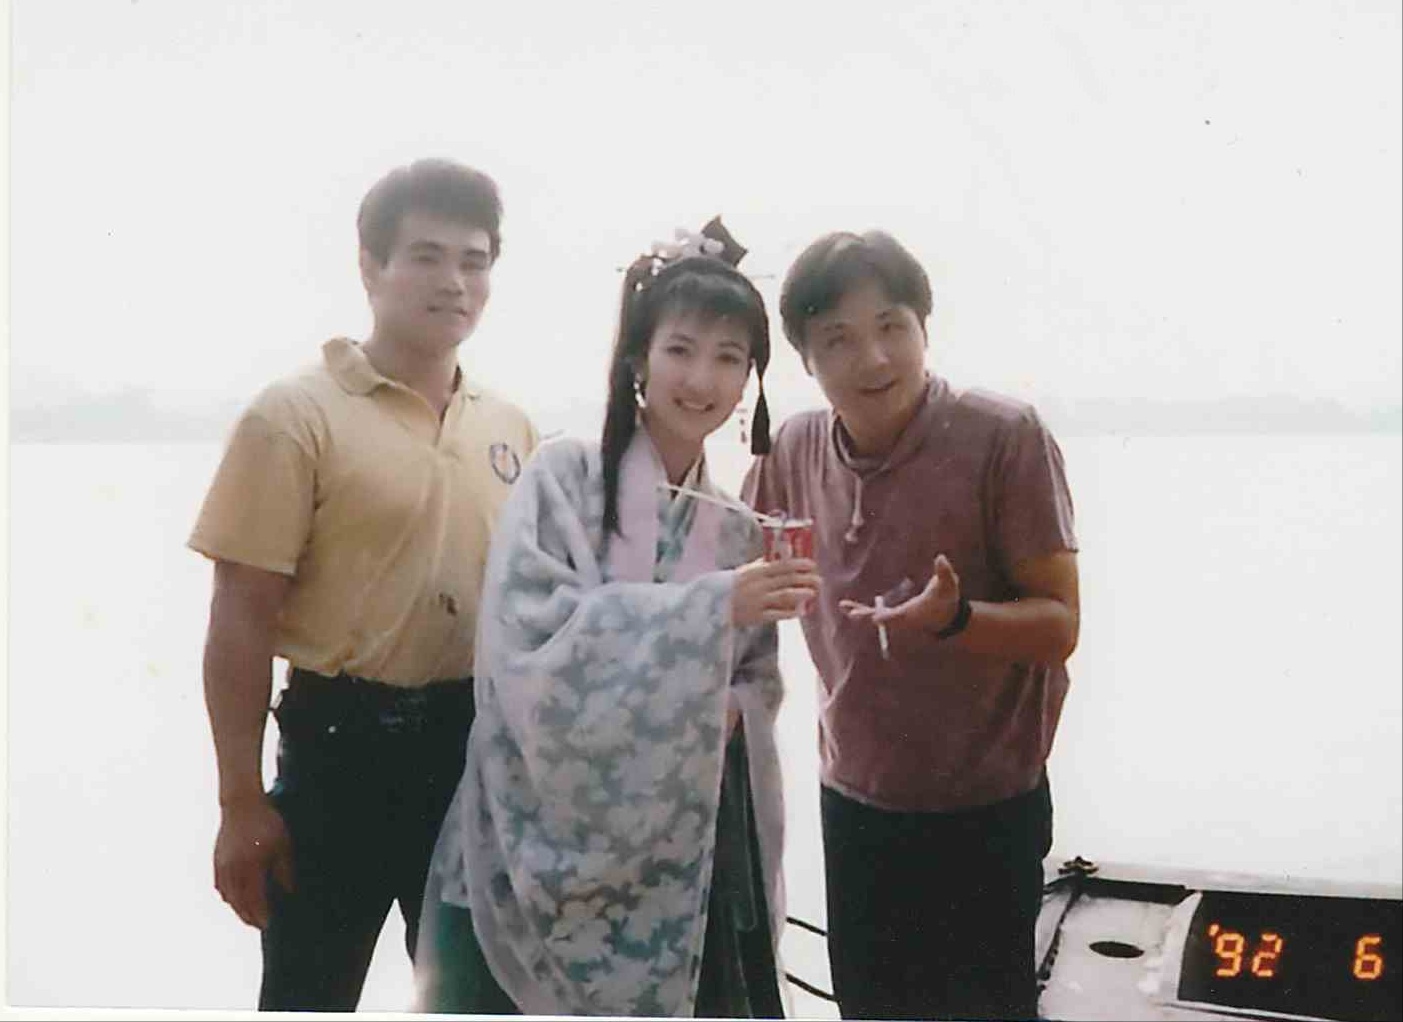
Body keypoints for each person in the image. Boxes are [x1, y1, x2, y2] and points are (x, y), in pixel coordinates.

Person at [414, 220, 822, 1017]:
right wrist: (712, 609)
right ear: (638, 357)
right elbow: (526, 648)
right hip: (532, 834)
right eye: (680, 349)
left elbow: (755, 685)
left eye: (729, 357)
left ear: (750, 379)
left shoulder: (736, 528)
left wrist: (729, 708)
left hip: (676, 857)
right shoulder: (561, 477)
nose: (701, 379)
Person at [188, 158, 538, 1011]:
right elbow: (240, 620)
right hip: (337, 755)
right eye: (426, 256)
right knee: (308, 997)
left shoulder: (510, 426)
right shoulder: (294, 416)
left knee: (476, 1000)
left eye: (474, 261)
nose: (454, 282)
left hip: (469, 759)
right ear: (370, 267)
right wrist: (240, 804)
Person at [742, 230, 1080, 1021]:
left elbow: (1059, 624)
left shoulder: (1005, 436)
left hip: (985, 811)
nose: (872, 359)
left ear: (924, 328)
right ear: (805, 359)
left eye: (891, 326)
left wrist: (955, 619)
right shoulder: (792, 447)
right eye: (837, 339)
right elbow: (726, 564)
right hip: (855, 805)